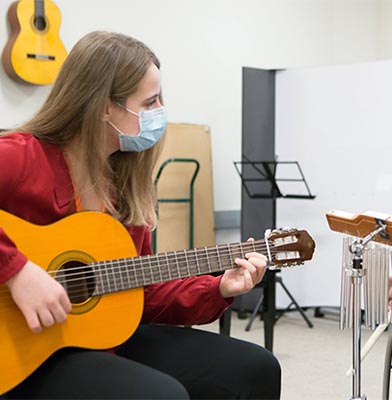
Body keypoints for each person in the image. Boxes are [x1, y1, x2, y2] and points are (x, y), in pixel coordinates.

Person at [0, 31, 280, 399]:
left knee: (255, 368)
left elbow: (140, 293)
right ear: (103, 106)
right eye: (149, 102)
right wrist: (18, 271)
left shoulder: (125, 183)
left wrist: (219, 287)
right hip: (24, 351)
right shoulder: (22, 156)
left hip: (95, 338)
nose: (160, 111)